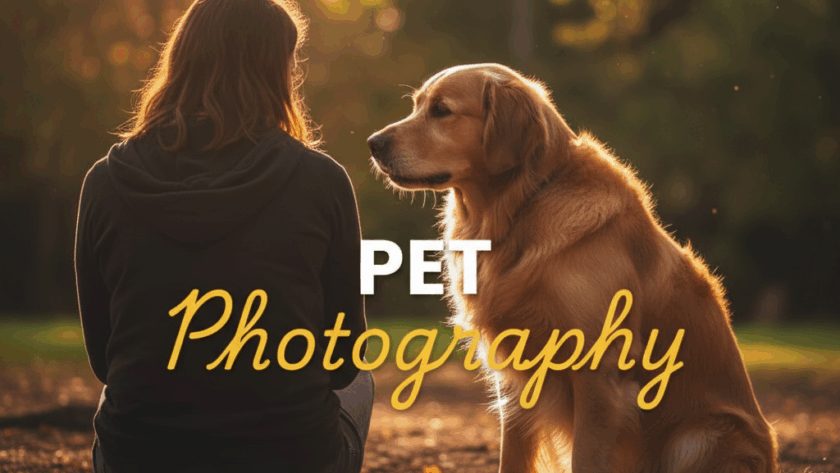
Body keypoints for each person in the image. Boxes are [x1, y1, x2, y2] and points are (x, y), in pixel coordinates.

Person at [73, 1, 373, 471]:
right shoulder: (322, 180)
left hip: (143, 457)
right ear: (276, 70)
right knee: (361, 382)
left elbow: (104, 360)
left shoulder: (105, 182)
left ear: (180, 60)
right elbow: (343, 359)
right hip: (285, 457)